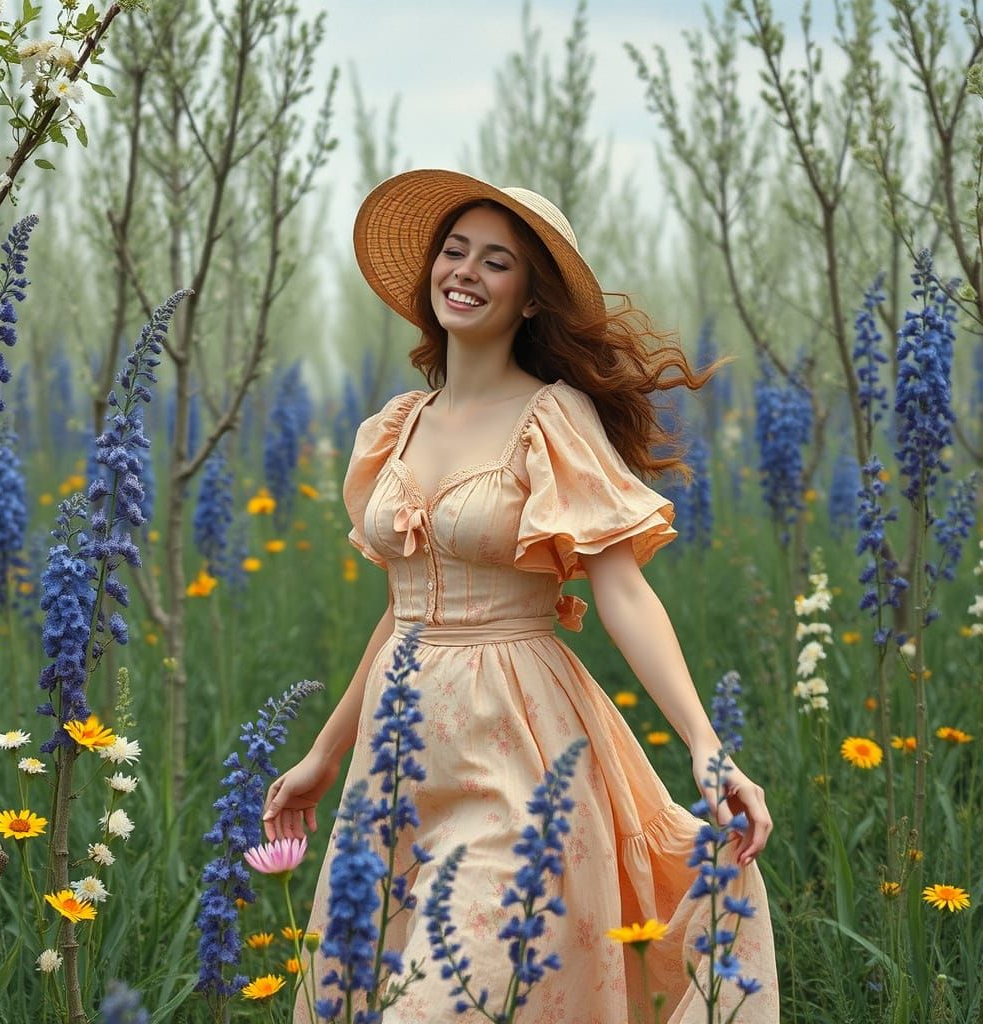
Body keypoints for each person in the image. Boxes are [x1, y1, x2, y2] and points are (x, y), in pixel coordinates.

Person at [262, 169, 779, 1023]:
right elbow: (403, 611)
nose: (465, 271)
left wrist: (705, 743)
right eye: (454, 252)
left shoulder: (553, 416)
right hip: (392, 762)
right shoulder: (397, 426)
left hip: (515, 751)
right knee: (367, 994)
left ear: (532, 297)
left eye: (496, 262)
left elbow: (624, 593)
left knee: (446, 1003)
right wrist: (321, 756)